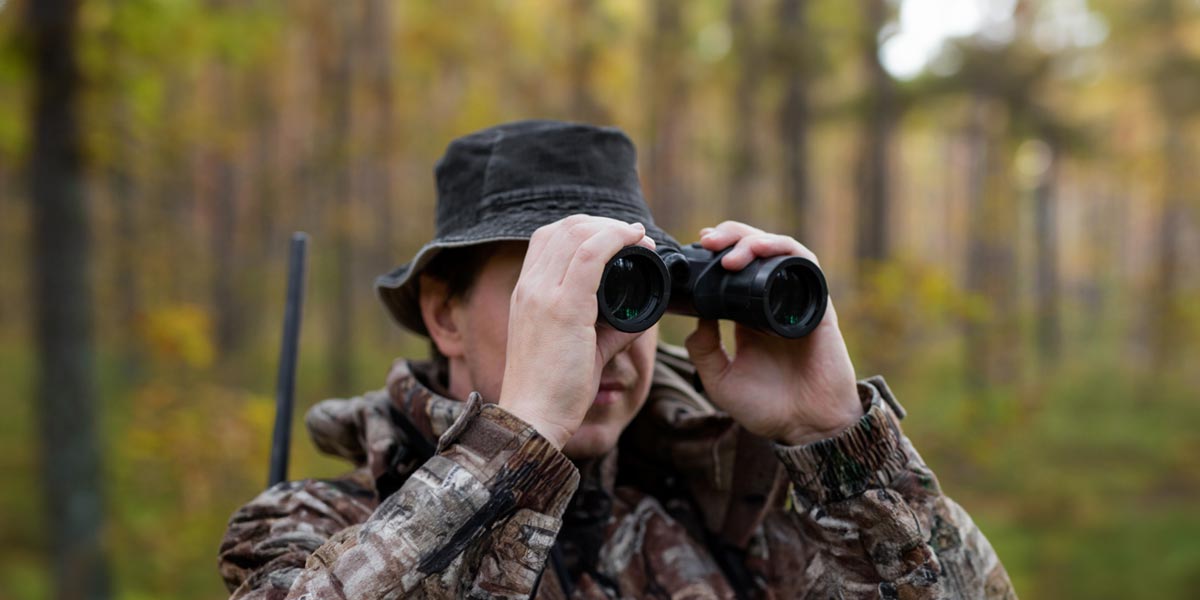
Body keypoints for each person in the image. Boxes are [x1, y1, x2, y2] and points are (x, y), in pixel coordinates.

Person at [218, 120, 1015, 599]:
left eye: (627, 286)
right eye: (557, 285)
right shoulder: (314, 528)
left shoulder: (738, 506)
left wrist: (838, 444)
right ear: (443, 315)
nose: (603, 332)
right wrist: (518, 436)